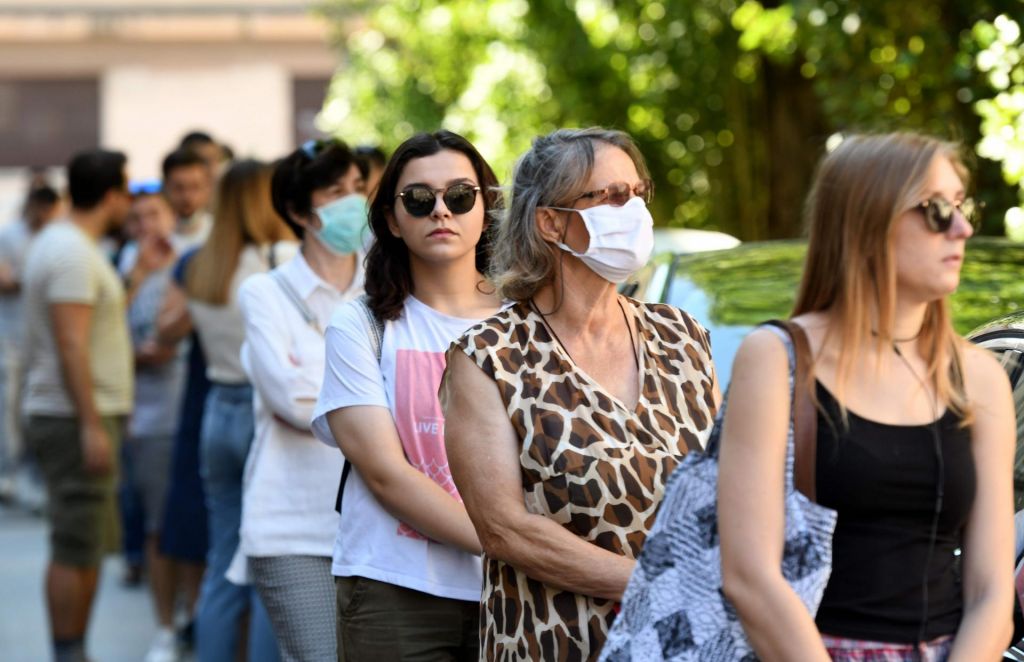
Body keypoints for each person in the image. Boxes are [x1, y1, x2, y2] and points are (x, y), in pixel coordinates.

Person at [718, 132, 1015, 660]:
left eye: (963, 206)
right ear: (866, 220)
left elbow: (992, 593)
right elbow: (749, 577)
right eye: (938, 210)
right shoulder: (776, 359)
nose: (963, 228)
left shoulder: (979, 377)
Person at [441, 127, 721, 660]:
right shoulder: (488, 357)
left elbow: (725, 486)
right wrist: (653, 587)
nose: (634, 209)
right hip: (557, 641)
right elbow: (505, 530)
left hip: (684, 641)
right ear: (550, 221)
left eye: (639, 193)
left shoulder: (682, 336)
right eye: (613, 196)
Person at [311, 130, 504, 660]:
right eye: (419, 199)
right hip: (394, 590)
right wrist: (512, 546)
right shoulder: (362, 323)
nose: (441, 210)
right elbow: (385, 473)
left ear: (485, 208)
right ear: (393, 220)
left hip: (514, 594)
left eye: (460, 196)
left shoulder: (530, 321)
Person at [231, 139, 366, 660]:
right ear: (297, 211)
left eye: (358, 188)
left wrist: (328, 397)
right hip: (293, 525)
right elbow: (289, 402)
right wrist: (379, 410)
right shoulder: (265, 293)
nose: (353, 202)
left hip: (382, 526)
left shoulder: (387, 286)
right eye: (336, 192)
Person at [159, 158, 293, 662]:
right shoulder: (278, 259)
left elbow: (165, 330)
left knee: (221, 561)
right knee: (268, 565)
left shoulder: (199, 262)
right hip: (265, 412)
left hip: (216, 408)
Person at [21, 149, 134, 662]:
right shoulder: (70, 250)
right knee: (74, 542)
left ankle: (75, 649)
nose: (128, 202)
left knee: (84, 541)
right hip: (72, 417)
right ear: (110, 194)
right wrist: (90, 425)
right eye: (126, 191)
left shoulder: (67, 244)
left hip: (75, 413)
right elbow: (71, 344)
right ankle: (68, 651)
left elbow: (93, 328)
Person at [120, 184, 197, 662]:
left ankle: (190, 613)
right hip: (147, 416)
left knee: (189, 525)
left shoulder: (192, 261)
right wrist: (140, 275)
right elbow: (108, 340)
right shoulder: (129, 268)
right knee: (155, 526)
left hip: (187, 409)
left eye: (154, 214)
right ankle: (165, 626)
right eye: (138, 218)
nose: (147, 226)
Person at [0, 182, 60, 502]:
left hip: (44, 342)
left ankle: (36, 479)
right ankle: (8, 474)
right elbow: (4, 280)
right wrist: (34, 277)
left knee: (36, 409)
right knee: (8, 409)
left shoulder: (58, 237)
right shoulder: (10, 235)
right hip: (10, 337)